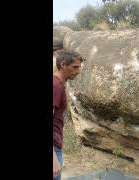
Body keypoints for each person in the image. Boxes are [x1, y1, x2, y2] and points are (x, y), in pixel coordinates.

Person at [53, 49, 84, 180]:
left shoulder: (57, 83)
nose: (78, 71)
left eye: (79, 67)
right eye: (74, 67)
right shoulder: (56, 86)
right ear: (63, 65)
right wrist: (53, 158)